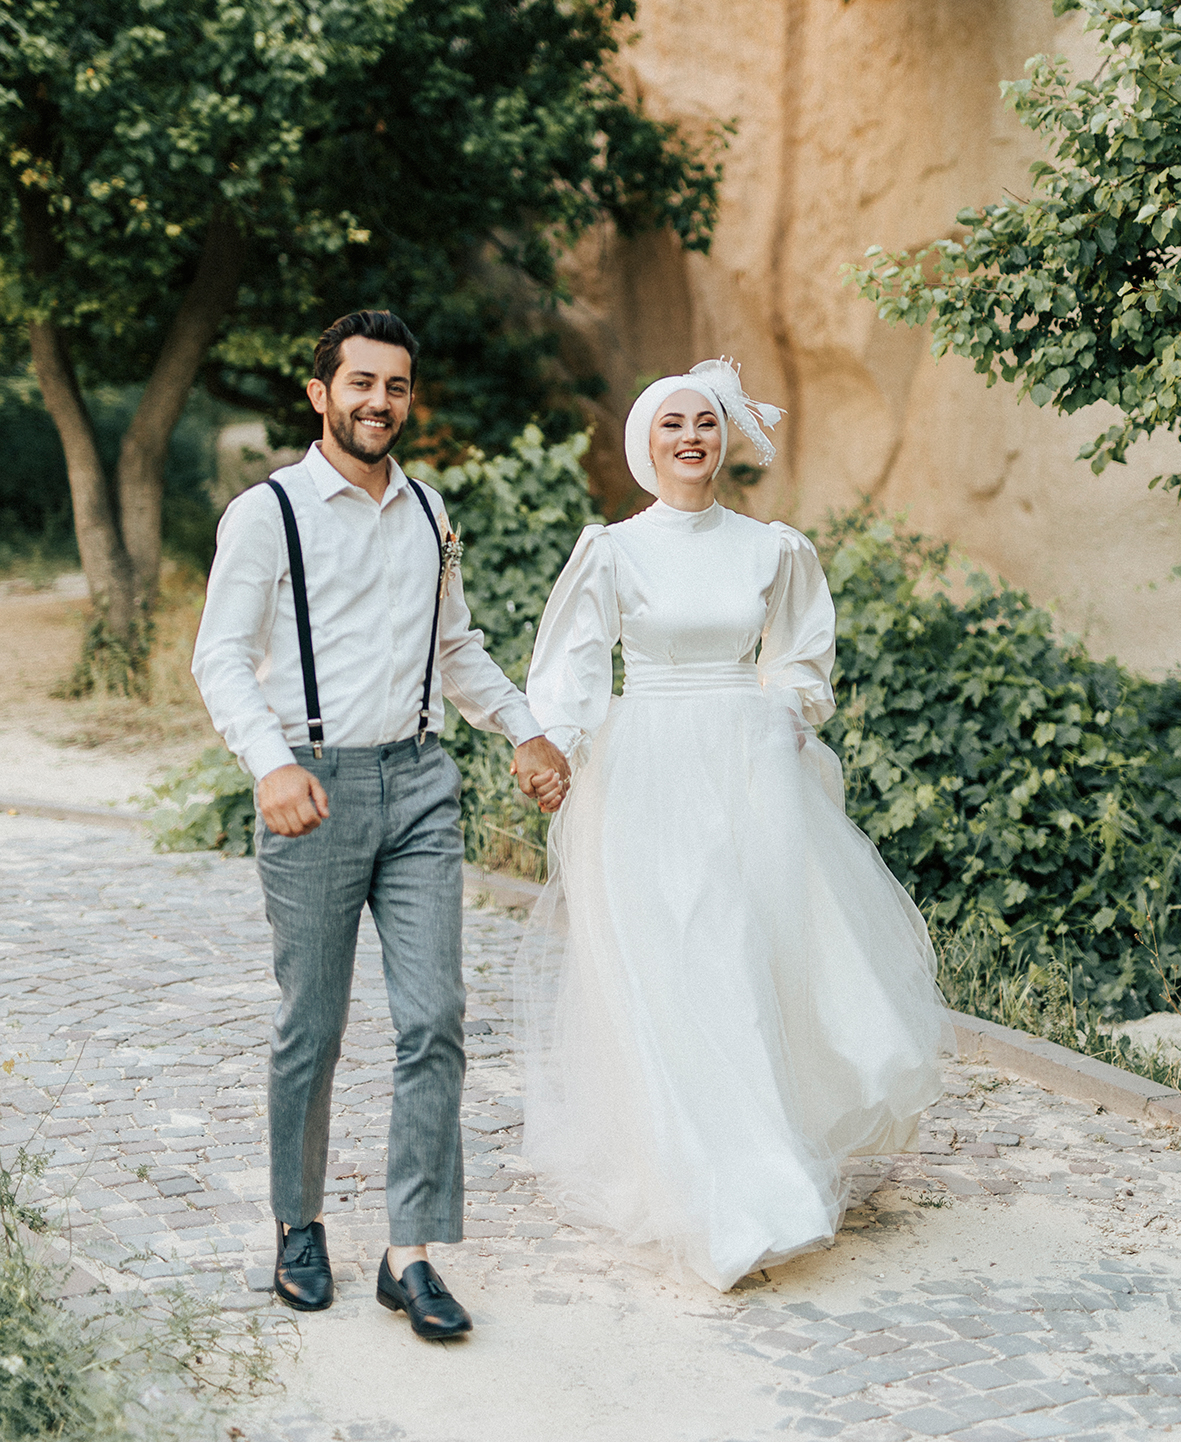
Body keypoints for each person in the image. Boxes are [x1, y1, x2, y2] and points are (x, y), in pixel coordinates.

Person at [516, 358, 953, 1292]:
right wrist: (552, 743)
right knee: (677, 966)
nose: (689, 437)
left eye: (704, 423)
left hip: (749, 773)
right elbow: (574, 663)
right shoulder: (613, 550)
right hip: (648, 774)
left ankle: (766, 1169)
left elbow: (800, 654)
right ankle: (709, 1189)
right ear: (646, 442)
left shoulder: (772, 549)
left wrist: (785, 711)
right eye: (671, 423)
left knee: (750, 960)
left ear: (724, 440)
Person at [192, 309, 569, 1338]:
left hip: (418, 783)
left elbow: (457, 647)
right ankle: (297, 1223)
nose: (378, 401)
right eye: (359, 382)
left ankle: (409, 1251)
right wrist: (268, 761)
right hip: (307, 787)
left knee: (434, 1015)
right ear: (320, 393)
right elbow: (220, 654)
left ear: (409, 396)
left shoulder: (427, 511)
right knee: (309, 1023)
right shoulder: (266, 512)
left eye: (395, 385)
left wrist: (524, 729)